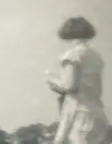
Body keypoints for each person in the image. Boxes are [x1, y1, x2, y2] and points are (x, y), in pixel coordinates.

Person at [45, 16, 109, 144]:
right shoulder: (96, 56)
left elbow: (69, 85)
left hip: (78, 111)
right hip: (97, 111)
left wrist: (50, 78)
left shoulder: (72, 56)